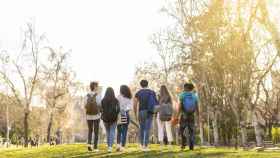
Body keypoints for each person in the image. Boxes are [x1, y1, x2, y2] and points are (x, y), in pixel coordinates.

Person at [133, 80, 158, 151]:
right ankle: (146, 146)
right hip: (150, 112)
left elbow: (135, 104)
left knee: (141, 128)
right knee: (147, 129)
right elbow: (156, 104)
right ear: (147, 84)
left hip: (141, 111)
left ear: (140, 85)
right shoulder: (152, 92)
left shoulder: (138, 93)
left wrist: (135, 114)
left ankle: (141, 145)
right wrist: (155, 113)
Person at [176, 83, 199, 151]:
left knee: (182, 129)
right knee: (191, 130)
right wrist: (198, 115)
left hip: (184, 115)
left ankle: (183, 144)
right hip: (192, 115)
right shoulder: (195, 96)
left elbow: (180, 106)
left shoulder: (182, 95)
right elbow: (197, 106)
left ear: (186, 88)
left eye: (184, 87)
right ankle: (191, 146)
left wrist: (177, 115)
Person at [101, 87, 120, 153]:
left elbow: (101, 109)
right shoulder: (116, 100)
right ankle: (110, 147)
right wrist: (116, 114)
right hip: (113, 118)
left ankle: (109, 146)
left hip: (105, 118)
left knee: (108, 132)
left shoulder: (103, 100)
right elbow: (118, 109)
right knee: (112, 132)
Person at [84, 81, 102, 152]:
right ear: (94, 87)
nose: (97, 88)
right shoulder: (98, 95)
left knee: (90, 131)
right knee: (96, 131)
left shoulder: (86, 95)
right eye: (97, 86)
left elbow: (84, 105)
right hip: (96, 116)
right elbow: (100, 105)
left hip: (88, 116)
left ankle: (89, 145)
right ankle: (95, 147)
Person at [116, 85, 133, 152]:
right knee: (124, 131)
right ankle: (122, 146)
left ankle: (118, 145)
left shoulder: (118, 97)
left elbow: (117, 106)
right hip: (126, 114)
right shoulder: (129, 97)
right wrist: (125, 109)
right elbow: (130, 107)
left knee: (119, 131)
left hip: (119, 115)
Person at [157, 85, 173, 150]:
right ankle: (170, 143)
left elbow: (157, 105)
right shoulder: (169, 96)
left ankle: (161, 143)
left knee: (160, 128)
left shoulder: (159, 96)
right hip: (168, 114)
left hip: (160, 113)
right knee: (168, 128)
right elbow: (171, 106)